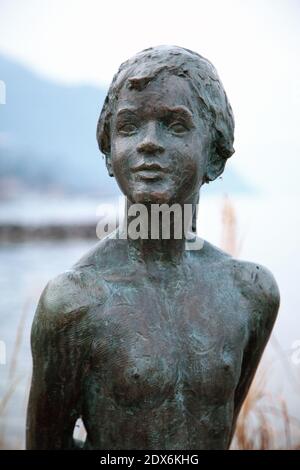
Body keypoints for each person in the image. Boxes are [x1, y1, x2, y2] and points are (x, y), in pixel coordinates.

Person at [26, 45, 280, 450]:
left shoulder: (250, 293)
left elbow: (221, 424)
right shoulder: (74, 303)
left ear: (214, 156)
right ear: (110, 154)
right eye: (128, 127)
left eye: (174, 125)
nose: (148, 143)